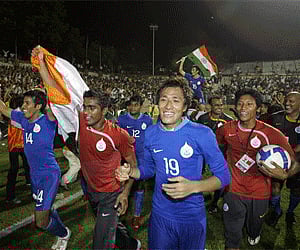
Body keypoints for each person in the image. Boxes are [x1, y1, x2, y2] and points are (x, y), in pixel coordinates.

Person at [34, 47, 140, 250]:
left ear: (105, 110)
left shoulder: (118, 135)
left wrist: (125, 193)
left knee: (100, 243)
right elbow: (56, 92)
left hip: (111, 193)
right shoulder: (82, 120)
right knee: (113, 229)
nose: (86, 112)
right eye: (85, 107)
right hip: (91, 190)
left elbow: (134, 166)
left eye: (92, 108)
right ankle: (131, 244)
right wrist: (41, 64)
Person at [117, 78, 231, 250]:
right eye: (164, 99)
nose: (168, 106)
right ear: (157, 104)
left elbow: (224, 176)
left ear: (185, 106)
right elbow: (148, 169)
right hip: (160, 216)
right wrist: (131, 172)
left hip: (191, 217)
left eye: (175, 100)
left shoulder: (202, 134)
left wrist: (193, 187)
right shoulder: (151, 133)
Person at [216, 88, 296, 249]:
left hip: (259, 192)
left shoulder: (271, 133)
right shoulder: (226, 129)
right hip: (233, 189)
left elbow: (294, 161)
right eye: (240, 104)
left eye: (249, 104)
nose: (243, 108)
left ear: (258, 108)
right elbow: (213, 146)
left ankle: (254, 233)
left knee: (254, 227)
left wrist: (286, 174)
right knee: (232, 236)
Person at [0, 89, 71, 250]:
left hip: (49, 175)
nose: (23, 107)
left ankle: (64, 234)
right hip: (34, 177)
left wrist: (48, 85)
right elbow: (4, 109)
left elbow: (53, 104)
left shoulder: (48, 120)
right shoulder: (24, 120)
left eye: (27, 103)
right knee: (48, 209)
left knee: (41, 221)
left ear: (38, 106)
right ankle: (62, 233)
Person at [117, 95, 153, 230]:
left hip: (142, 158)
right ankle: (119, 211)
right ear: (127, 106)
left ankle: (136, 215)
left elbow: (150, 138)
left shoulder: (147, 120)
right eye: (131, 105)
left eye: (136, 105)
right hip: (125, 158)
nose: (133, 108)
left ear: (140, 106)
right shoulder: (121, 120)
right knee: (122, 184)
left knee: (139, 185)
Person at [267, 91, 300, 226]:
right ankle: (277, 210)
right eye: (286, 100)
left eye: (291, 101)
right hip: (278, 159)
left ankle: (290, 212)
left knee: (297, 189)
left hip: (298, 162)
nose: (287, 103)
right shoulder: (275, 118)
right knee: (275, 187)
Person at [196, 95, 233, 213]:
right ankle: (198, 196)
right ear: (210, 106)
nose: (219, 107)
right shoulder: (202, 118)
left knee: (219, 176)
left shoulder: (228, 120)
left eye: (221, 105)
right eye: (216, 105)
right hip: (201, 153)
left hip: (220, 153)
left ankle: (214, 203)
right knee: (197, 175)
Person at [5, 94, 31, 204]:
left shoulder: (16, 113)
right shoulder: (16, 114)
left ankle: (29, 182)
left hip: (18, 145)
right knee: (14, 170)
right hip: (16, 145)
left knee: (27, 164)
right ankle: (10, 196)